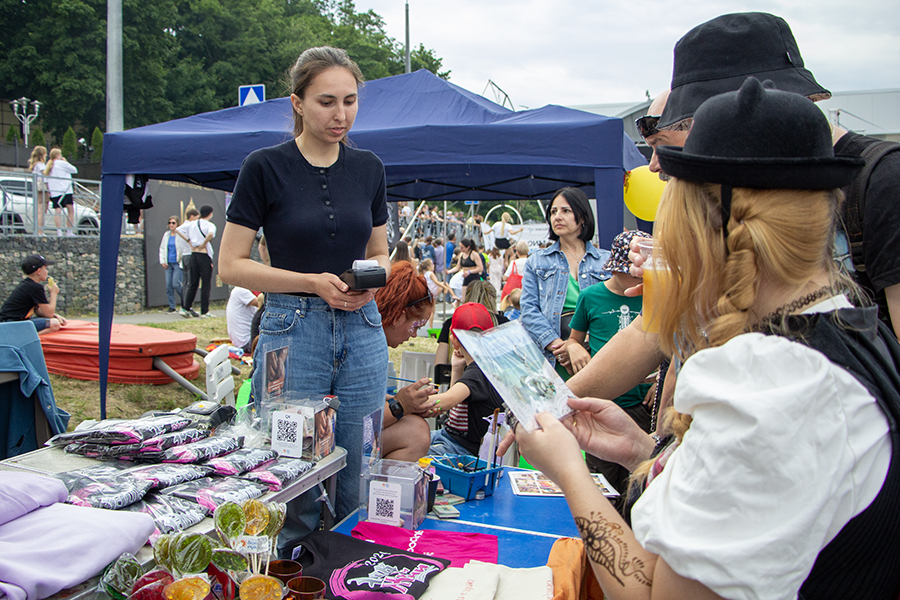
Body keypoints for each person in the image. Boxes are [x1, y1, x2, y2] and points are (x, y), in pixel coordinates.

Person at [505, 76, 900, 599]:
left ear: (711, 224)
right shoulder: (847, 327)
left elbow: (655, 595)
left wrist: (569, 474)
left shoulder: (770, 383)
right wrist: (642, 451)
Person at [218, 46, 390, 554]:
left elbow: (380, 251)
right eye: (326, 102)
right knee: (290, 468)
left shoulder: (369, 168)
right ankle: (291, 574)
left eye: (350, 101)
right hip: (291, 327)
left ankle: (351, 569)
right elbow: (231, 264)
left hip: (363, 326)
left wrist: (368, 281)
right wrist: (311, 282)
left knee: (362, 465)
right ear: (297, 103)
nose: (341, 115)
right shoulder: (265, 166)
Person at [564, 229, 652, 500]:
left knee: (640, 487)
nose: (639, 279)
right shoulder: (591, 296)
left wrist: (660, 381)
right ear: (615, 269)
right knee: (602, 488)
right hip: (600, 405)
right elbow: (573, 339)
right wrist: (575, 347)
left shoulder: (652, 296)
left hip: (640, 405)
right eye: (633, 274)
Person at [520, 187, 610, 380]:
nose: (557, 217)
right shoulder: (537, 261)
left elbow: (612, 308)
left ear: (583, 217)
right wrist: (560, 347)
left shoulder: (605, 261)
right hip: (553, 358)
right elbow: (528, 310)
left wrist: (580, 344)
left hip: (597, 354)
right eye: (553, 212)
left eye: (566, 210)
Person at [375, 261, 436, 461]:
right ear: (399, 317)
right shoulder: (367, 347)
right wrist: (399, 405)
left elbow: (368, 399)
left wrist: (409, 404)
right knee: (416, 434)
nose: (414, 335)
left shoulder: (373, 340)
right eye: (416, 326)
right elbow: (357, 418)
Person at [427, 303, 504, 456]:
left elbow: (447, 401)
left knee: (407, 451)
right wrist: (456, 369)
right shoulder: (485, 366)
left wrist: (407, 403)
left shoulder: (478, 372)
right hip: (449, 436)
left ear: (453, 340)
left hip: (462, 448)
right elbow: (454, 408)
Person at [434, 280, 507, 365]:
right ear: (492, 299)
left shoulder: (451, 322)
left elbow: (440, 364)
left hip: (458, 371)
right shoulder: (503, 323)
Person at [0, 255, 67, 334]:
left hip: (9, 322)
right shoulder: (35, 287)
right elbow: (49, 313)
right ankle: (26, 339)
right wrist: (53, 293)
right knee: (54, 324)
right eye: (45, 269)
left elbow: (38, 311)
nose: (47, 272)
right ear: (39, 271)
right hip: (10, 324)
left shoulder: (27, 284)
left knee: (53, 320)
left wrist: (55, 316)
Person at [181, 204, 217, 318]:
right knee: (205, 284)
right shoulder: (210, 225)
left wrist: (189, 241)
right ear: (210, 214)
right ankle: (204, 311)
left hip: (194, 254)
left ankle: (186, 307)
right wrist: (204, 243)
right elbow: (210, 234)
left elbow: (178, 229)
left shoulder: (193, 224)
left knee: (193, 282)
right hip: (204, 254)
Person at [43, 148, 77, 237]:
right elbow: (74, 170)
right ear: (58, 155)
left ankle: (59, 232)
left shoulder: (49, 165)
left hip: (55, 191)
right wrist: (66, 162)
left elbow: (46, 179)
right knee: (70, 211)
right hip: (66, 190)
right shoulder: (62, 163)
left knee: (57, 211)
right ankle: (69, 232)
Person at [418, 258, 459, 328]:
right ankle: (453, 295)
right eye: (432, 264)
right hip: (433, 291)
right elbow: (436, 282)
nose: (433, 265)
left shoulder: (425, 274)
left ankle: (430, 326)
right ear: (429, 266)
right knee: (445, 283)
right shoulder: (431, 273)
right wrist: (444, 287)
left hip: (429, 292)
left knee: (432, 311)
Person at [158, 215, 185, 313]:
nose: (171, 225)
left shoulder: (180, 235)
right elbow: (162, 248)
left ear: (177, 224)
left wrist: (181, 260)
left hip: (177, 263)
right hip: (168, 263)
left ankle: (185, 302)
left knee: (176, 284)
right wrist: (163, 261)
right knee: (168, 286)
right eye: (169, 223)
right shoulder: (166, 235)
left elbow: (183, 248)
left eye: (173, 223)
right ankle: (172, 306)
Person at [226, 286, 261, 354]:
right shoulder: (240, 290)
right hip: (247, 343)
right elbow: (262, 303)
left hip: (242, 342)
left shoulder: (239, 291)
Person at [27, 146, 48, 235]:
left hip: (38, 187)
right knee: (41, 210)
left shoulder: (35, 165)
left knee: (41, 210)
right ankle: (40, 231)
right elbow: (46, 173)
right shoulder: (40, 164)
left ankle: (39, 230)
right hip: (42, 188)